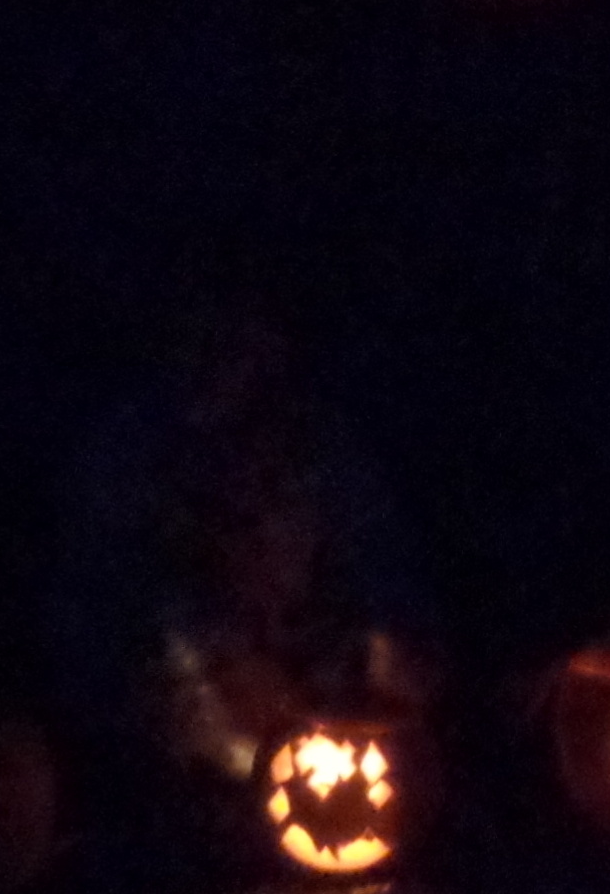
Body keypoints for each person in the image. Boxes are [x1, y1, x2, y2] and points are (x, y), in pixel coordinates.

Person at [47, 303, 434, 811]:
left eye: (238, 334)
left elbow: (392, 592)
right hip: (188, 743)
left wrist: (393, 660)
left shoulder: (323, 448)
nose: (217, 355)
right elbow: (88, 623)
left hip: (311, 709)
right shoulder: (127, 456)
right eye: (199, 335)